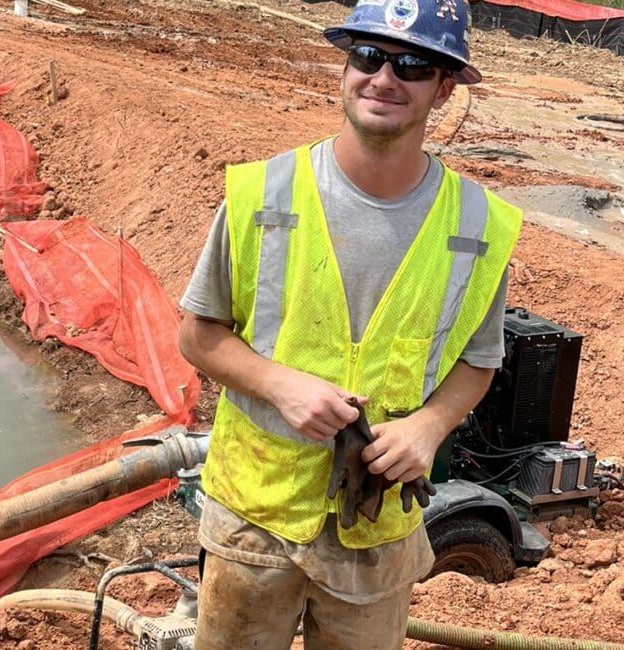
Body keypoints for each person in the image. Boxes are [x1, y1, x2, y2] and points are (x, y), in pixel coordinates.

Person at [176, 1, 522, 648]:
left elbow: (479, 360)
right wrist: (280, 386)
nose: (384, 78)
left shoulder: (477, 229)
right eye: (368, 57)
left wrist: (429, 424)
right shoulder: (263, 196)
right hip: (256, 522)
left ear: (444, 88)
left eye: (413, 64)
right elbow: (198, 336)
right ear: (345, 68)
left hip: (378, 535)